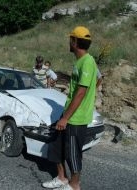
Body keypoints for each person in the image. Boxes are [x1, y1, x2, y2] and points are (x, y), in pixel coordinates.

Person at [42, 26, 97, 190]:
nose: (69, 41)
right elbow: (99, 79)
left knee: (73, 154)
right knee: (56, 147)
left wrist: (66, 118)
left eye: (70, 39)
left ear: (74, 42)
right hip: (69, 114)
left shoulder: (87, 62)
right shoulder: (80, 62)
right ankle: (61, 178)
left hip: (76, 118)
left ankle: (74, 185)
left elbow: (80, 92)